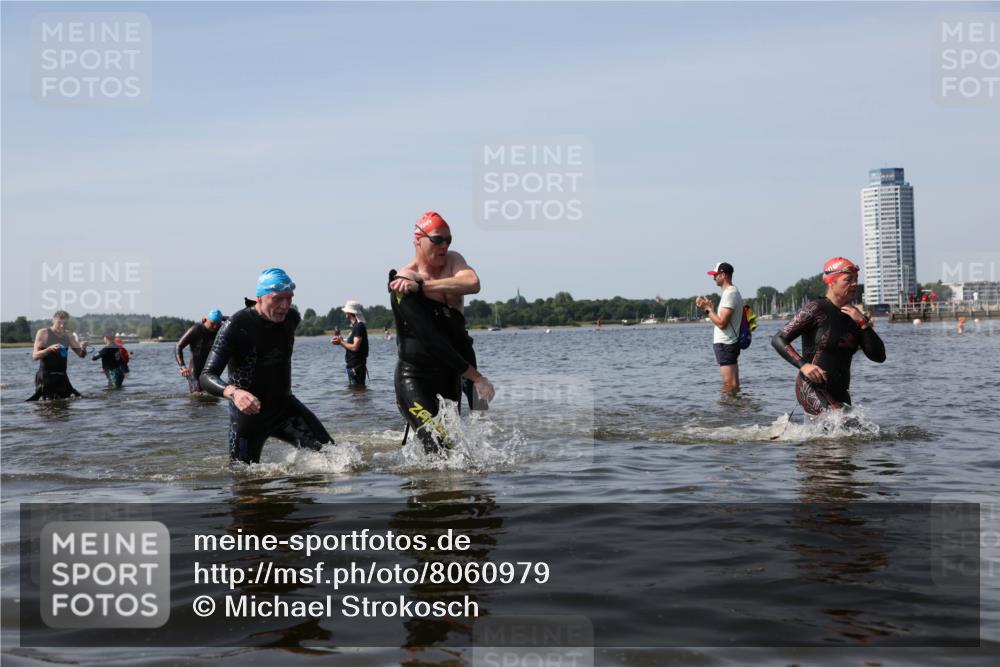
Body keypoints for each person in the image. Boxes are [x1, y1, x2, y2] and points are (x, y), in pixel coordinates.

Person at [200, 268, 333, 464]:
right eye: (278, 299)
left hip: (285, 408)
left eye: (289, 298)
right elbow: (206, 376)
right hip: (248, 416)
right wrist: (234, 393)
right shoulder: (235, 326)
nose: (285, 306)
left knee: (336, 458)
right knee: (244, 477)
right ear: (259, 298)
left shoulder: (292, 318)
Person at [389, 211, 495, 452]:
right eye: (437, 239)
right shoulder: (404, 280)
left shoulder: (453, 261)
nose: (444, 245)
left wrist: (422, 287)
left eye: (448, 239)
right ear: (418, 240)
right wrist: (477, 377)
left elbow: (473, 283)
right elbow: (432, 341)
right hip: (416, 376)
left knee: (458, 442)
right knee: (437, 445)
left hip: (453, 370)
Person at [771, 257, 886, 415]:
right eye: (848, 280)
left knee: (856, 428)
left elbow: (879, 357)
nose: (854, 284)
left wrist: (863, 323)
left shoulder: (855, 316)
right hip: (811, 387)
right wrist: (804, 366)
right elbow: (778, 339)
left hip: (840, 392)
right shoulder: (816, 309)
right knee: (840, 422)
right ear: (832, 282)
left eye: (856, 279)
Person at [695, 262, 743, 396]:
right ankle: (735, 407)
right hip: (729, 343)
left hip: (725, 343)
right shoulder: (731, 292)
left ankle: (727, 408)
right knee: (733, 384)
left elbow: (722, 324)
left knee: (729, 384)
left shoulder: (730, 294)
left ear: (723, 275)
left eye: (715, 275)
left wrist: (706, 309)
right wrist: (711, 310)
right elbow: (723, 320)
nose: (714, 278)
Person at [27, 310, 86, 401]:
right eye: (59, 323)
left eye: (65, 323)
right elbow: (35, 356)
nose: (62, 326)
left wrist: (83, 348)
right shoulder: (43, 333)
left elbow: (81, 354)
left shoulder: (68, 335)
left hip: (62, 376)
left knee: (70, 403)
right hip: (46, 376)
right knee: (48, 406)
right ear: (53, 320)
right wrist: (49, 349)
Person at [175, 309, 225, 393]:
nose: (215, 327)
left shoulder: (220, 329)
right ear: (205, 320)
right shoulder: (196, 329)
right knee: (197, 396)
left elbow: (234, 321)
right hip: (195, 372)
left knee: (213, 397)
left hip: (211, 371)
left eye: (218, 324)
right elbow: (178, 347)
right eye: (212, 323)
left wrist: (222, 318)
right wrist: (182, 366)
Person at [331, 300, 369, 386]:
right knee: (356, 391)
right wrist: (341, 341)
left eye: (346, 311)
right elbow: (352, 345)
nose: (345, 313)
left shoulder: (359, 326)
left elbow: (355, 347)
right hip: (352, 367)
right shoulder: (356, 327)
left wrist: (341, 342)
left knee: (357, 392)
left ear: (350, 313)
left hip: (357, 367)